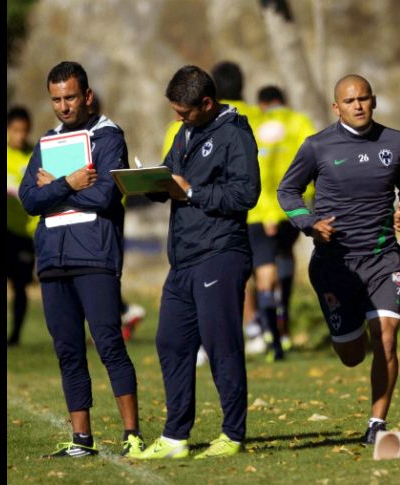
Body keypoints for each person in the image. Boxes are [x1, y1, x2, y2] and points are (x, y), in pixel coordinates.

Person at [277, 74, 400, 444]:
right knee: (352, 354)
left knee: (386, 340)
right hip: (335, 264)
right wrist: (310, 224)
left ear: (373, 100)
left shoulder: (395, 142)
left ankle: (377, 425)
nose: (357, 106)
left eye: (363, 99)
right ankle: (344, 332)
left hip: (383, 259)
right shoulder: (317, 146)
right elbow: (287, 191)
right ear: (336, 107)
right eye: (349, 101)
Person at [18, 61, 145, 457]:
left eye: (70, 97)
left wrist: (57, 189)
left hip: (95, 256)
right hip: (53, 260)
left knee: (109, 343)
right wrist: (70, 183)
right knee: (67, 349)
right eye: (56, 99)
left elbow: (105, 195)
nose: (63, 106)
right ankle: (81, 440)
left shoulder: (108, 137)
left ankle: (132, 434)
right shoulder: (46, 142)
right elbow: (28, 199)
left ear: (86, 95)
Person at [137, 65, 260, 459]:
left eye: (184, 111)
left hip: (220, 253)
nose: (178, 117)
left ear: (206, 103)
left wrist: (194, 193)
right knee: (171, 342)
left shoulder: (235, 133)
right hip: (183, 258)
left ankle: (233, 434)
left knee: (221, 343)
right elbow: (173, 179)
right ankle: (175, 438)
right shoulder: (184, 132)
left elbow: (246, 194)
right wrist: (151, 185)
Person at [246, 85, 317, 358]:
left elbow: (254, 170)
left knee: (264, 273)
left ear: (262, 104)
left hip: (258, 211)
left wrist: (265, 213)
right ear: (283, 101)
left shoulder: (254, 124)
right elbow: (314, 159)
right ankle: (283, 314)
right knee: (285, 254)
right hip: (293, 208)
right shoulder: (298, 122)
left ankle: (270, 335)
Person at [88, 93, 146, 341]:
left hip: (105, 219)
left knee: (99, 276)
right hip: (89, 218)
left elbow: (107, 187)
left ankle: (121, 315)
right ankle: (120, 314)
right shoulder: (75, 137)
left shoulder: (108, 137)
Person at [7, 106, 38, 346]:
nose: (20, 136)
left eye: (24, 131)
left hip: (26, 233)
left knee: (20, 286)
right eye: (15, 130)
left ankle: (15, 335)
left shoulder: (34, 156)